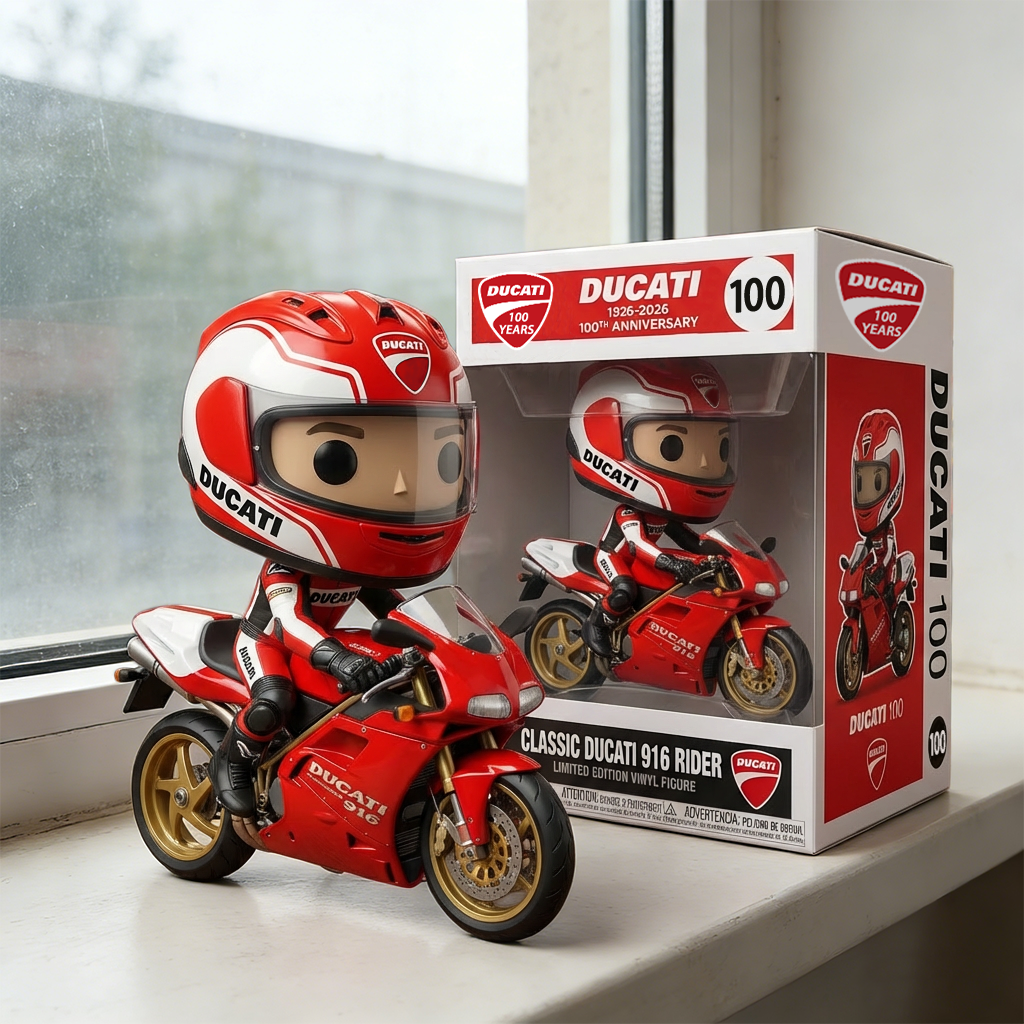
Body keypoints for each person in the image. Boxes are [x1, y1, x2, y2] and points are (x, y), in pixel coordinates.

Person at [178, 289, 477, 816]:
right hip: (267, 643)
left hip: (322, 643)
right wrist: (338, 657)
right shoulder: (286, 567)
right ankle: (235, 760)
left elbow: (394, 608)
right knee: (273, 700)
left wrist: (441, 641)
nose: (403, 488)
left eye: (441, 457)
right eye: (335, 459)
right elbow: (289, 622)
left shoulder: (354, 564)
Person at [566, 359, 736, 657]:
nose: (704, 464)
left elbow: (691, 540)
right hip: (612, 557)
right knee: (624, 591)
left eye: (719, 448)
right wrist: (672, 563)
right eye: (673, 446)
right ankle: (596, 626)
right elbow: (640, 545)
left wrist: (731, 554)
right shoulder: (628, 513)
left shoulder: (661, 514)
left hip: (638, 559)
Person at [849, 409, 909, 608]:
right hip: (873, 580)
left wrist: (881, 569)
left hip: (886, 577)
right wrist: (852, 568)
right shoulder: (868, 539)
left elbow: (889, 551)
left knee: (890, 600)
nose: (867, 492)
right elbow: (861, 553)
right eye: (862, 483)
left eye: (875, 483)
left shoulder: (887, 529)